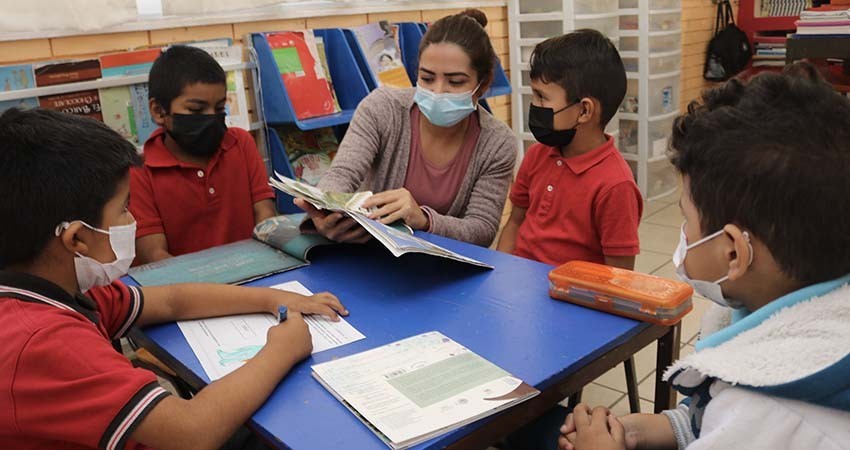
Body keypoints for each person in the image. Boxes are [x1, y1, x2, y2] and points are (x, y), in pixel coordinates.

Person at [0, 108, 347, 450]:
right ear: (76, 238)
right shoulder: (42, 341)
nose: (132, 219)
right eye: (123, 208)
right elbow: (191, 432)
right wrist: (282, 350)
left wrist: (273, 298)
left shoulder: (61, 286)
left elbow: (171, 301)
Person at [559, 65, 850, 450]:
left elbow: (736, 423)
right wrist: (634, 432)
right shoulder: (794, 318)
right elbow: (708, 420)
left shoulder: (771, 418)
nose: (684, 233)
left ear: (733, 252)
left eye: (687, 218)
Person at [297, 9, 517, 247]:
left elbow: (482, 229)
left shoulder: (497, 142)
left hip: (442, 266)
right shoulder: (383, 108)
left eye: (455, 82)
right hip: (369, 254)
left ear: (482, 84)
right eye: (427, 78)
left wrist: (424, 220)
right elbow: (342, 174)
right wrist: (325, 211)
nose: (437, 91)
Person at [496, 30, 642, 270]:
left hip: (570, 292)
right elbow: (515, 223)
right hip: (518, 280)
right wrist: (500, 272)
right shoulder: (536, 155)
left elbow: (619, 275)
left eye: (542, 97)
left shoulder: (616, 186)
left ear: (584, 111)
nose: (534, 105)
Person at [130, 45, 276, 264]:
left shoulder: (241, 143)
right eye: (196, 110)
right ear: (159, 111)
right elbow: (155, 256)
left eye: (219, 109)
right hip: (185, 284)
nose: (211, 118)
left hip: (256, 274)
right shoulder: (140, 171)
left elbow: (266, 217)